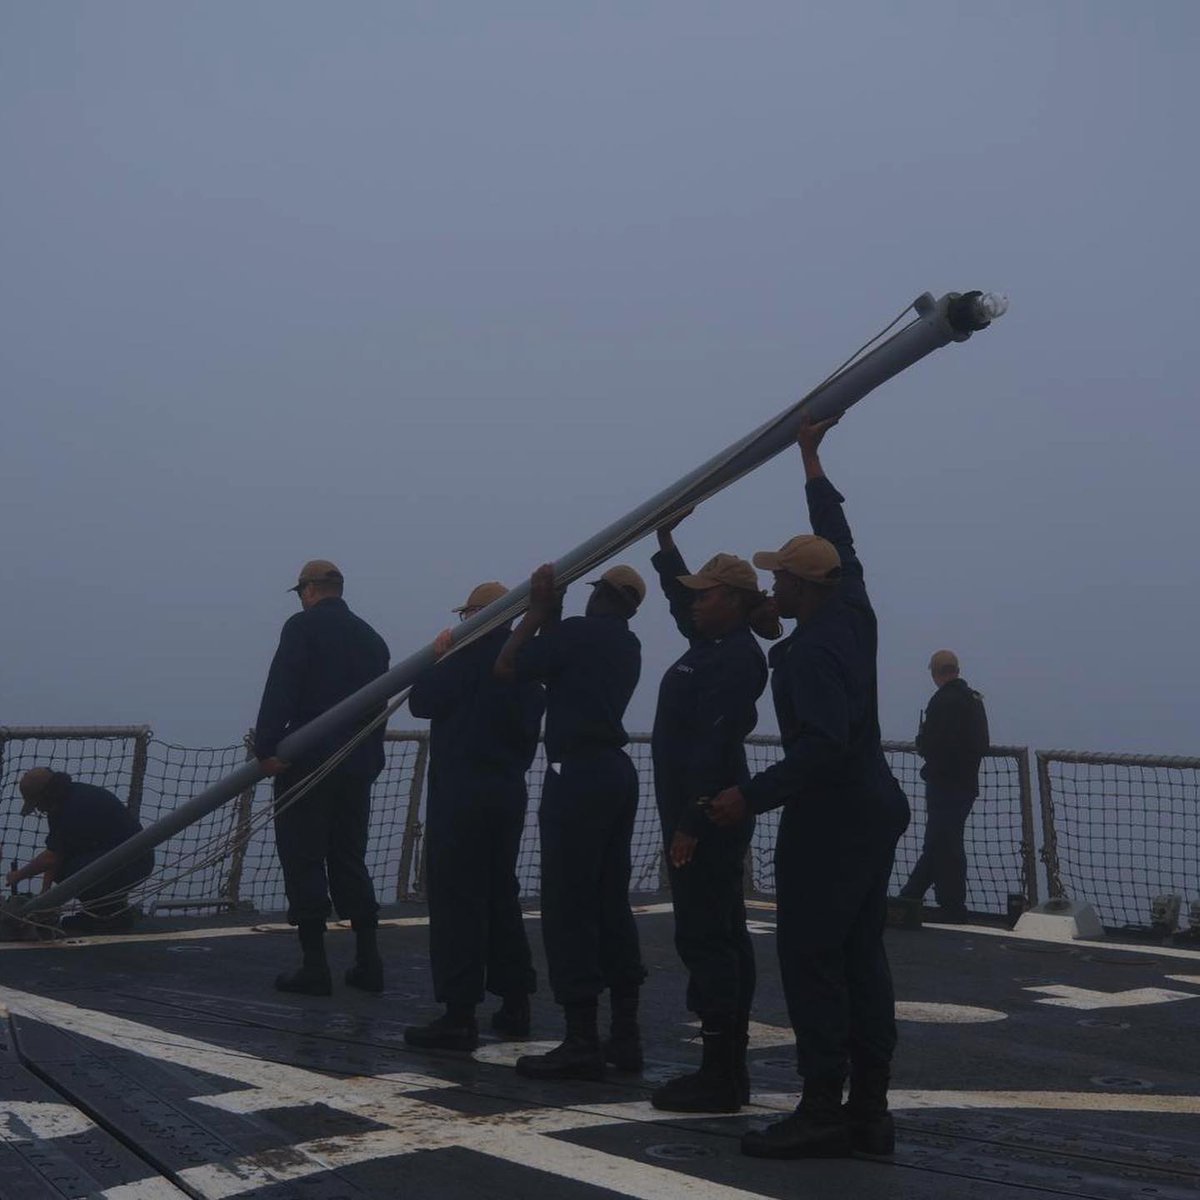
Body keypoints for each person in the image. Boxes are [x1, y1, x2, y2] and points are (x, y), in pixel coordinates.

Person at [709, 417, 910, 1160]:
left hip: (831, 820)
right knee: (862, 958)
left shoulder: (808, 658)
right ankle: (870, 1110)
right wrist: (811, 457)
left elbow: (825, 746)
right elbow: (841, 542)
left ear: (800, 586)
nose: (769, 586)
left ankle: (823, 1107)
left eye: (777, 579)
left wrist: (748, 797)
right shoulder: (853, 611)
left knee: (812, 959)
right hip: (873, 810)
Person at [494, 561, 645, 1080]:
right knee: (610, 902)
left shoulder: (578, 634)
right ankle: (625, 1034)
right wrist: (554, 618)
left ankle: (581, 1037)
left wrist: (536, 613)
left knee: (567, 903)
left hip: (576, 774)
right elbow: (567, 658)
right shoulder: (628, 645)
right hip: (616, 774)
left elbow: (508, 667)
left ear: (599, 595)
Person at [647, 512, 776, 1112]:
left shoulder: (734, 660)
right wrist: (666, 542)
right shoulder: (714, 643)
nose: (693, 605)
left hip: (707, 816)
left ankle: (720, 1075)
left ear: (732, 602)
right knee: (718, 932)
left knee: (706, 937)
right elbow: (681, 603)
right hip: (703, 813)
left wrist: (689, 824)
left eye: (706, 596)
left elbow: (715, 746)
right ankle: (724, 1067)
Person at [405, 581, 546, 1051]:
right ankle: (516, 1000)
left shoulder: (464, 658)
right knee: (500, 894)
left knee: (456, 899)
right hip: (507, 792)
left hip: (460, 795)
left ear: (477, 617)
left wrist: (439, 656)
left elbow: (421, 701)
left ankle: (459, 1012)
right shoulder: (526, 664)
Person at [254, 559, 390, 996]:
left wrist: (267, 747)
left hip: (308, 763)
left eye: (301, 592)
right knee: (349, 857)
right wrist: (370, 758)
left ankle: (315, 967)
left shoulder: (302, 627)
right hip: (357, 763)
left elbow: (283, 687)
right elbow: (377, 707)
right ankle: (369, 962)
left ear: (310, 590)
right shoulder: (373, 639)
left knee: (303, 856)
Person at [898, 649, 989, 923]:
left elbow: (933, 744)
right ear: (957, 670)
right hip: (966, 783)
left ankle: (941, 904)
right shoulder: (974, 700)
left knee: (942, 843)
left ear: (936, 673)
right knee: (944, 842)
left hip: (944, 784)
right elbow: (981, 743)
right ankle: (914, 898)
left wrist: (924, 746)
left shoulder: (941, 702)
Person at [7, 767, 154, 935]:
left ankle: (108, 918)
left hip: (133, 863)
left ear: (45, 796)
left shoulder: (74, 806)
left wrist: (17, 876)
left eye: (38, 804)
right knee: (66, 868)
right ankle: (107, 912)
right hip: (117, 860)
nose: (39, 809)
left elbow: (51, 859)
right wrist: (45, 894)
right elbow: (58, 851)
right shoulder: (63, 801)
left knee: (71, 870)